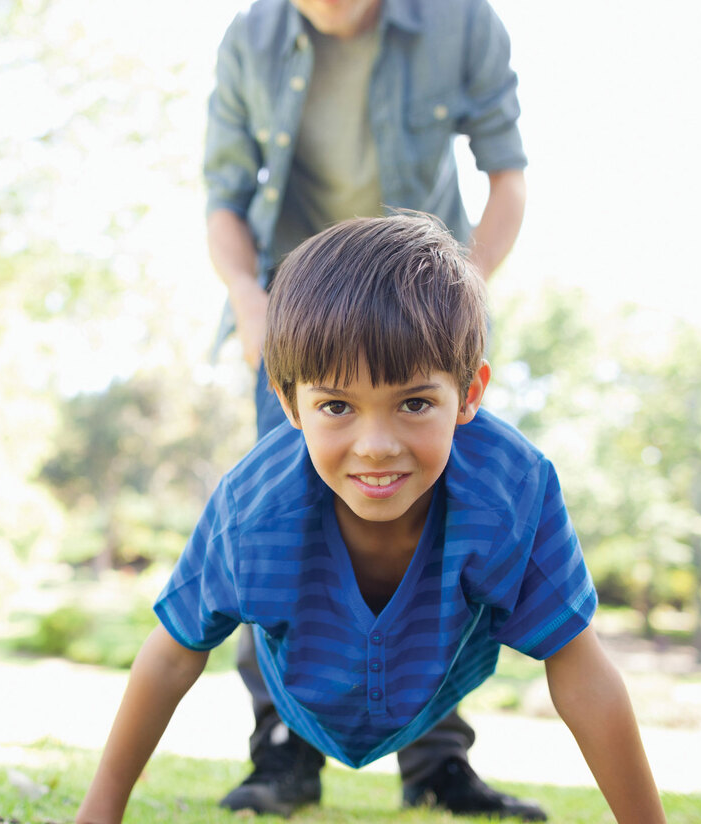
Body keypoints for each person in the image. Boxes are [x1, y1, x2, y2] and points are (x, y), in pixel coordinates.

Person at [76, 214, 666, 824]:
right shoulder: (252, 510)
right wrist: (99, 813)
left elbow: (579, 666)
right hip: (302, 684)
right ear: (289, 404)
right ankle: (285, 756)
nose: (376, 445)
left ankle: (439, 768)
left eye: (414, 403)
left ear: (468, 394)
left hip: (437, 674)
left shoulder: (512, 489)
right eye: (336, 405)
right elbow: (172, 654)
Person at [204, 0, 533, 817]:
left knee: (437, 523)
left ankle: (437, 760)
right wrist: (251, 301)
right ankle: (282, 751)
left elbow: (508, 180)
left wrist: (463, 294)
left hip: (418, 321)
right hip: (304, 328)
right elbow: (224, 196)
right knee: (282, 529)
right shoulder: (250, 40)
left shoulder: (463, 22)